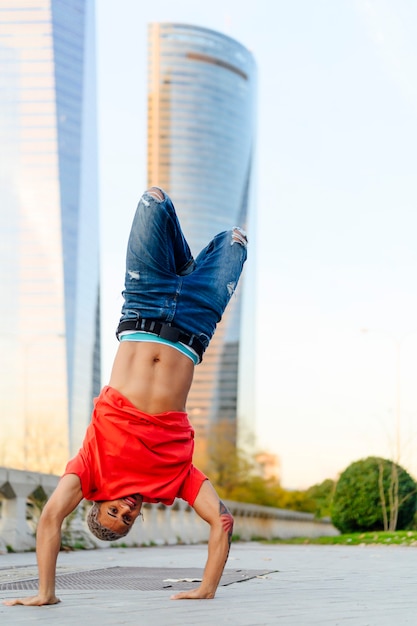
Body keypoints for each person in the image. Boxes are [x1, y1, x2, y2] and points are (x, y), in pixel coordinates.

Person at [3, 186, 248, 607]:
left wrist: (46, 593)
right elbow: (221, 520)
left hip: (144, 300)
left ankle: (178, 263)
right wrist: (207, 588)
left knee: (154, 200)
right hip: (195, 318)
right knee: (236, 241)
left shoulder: (91, 471)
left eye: (114, 512)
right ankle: (188, 268)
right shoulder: (173, 483)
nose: (127, 510)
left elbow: (49, 518)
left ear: (95, 501)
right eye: (129, 519)